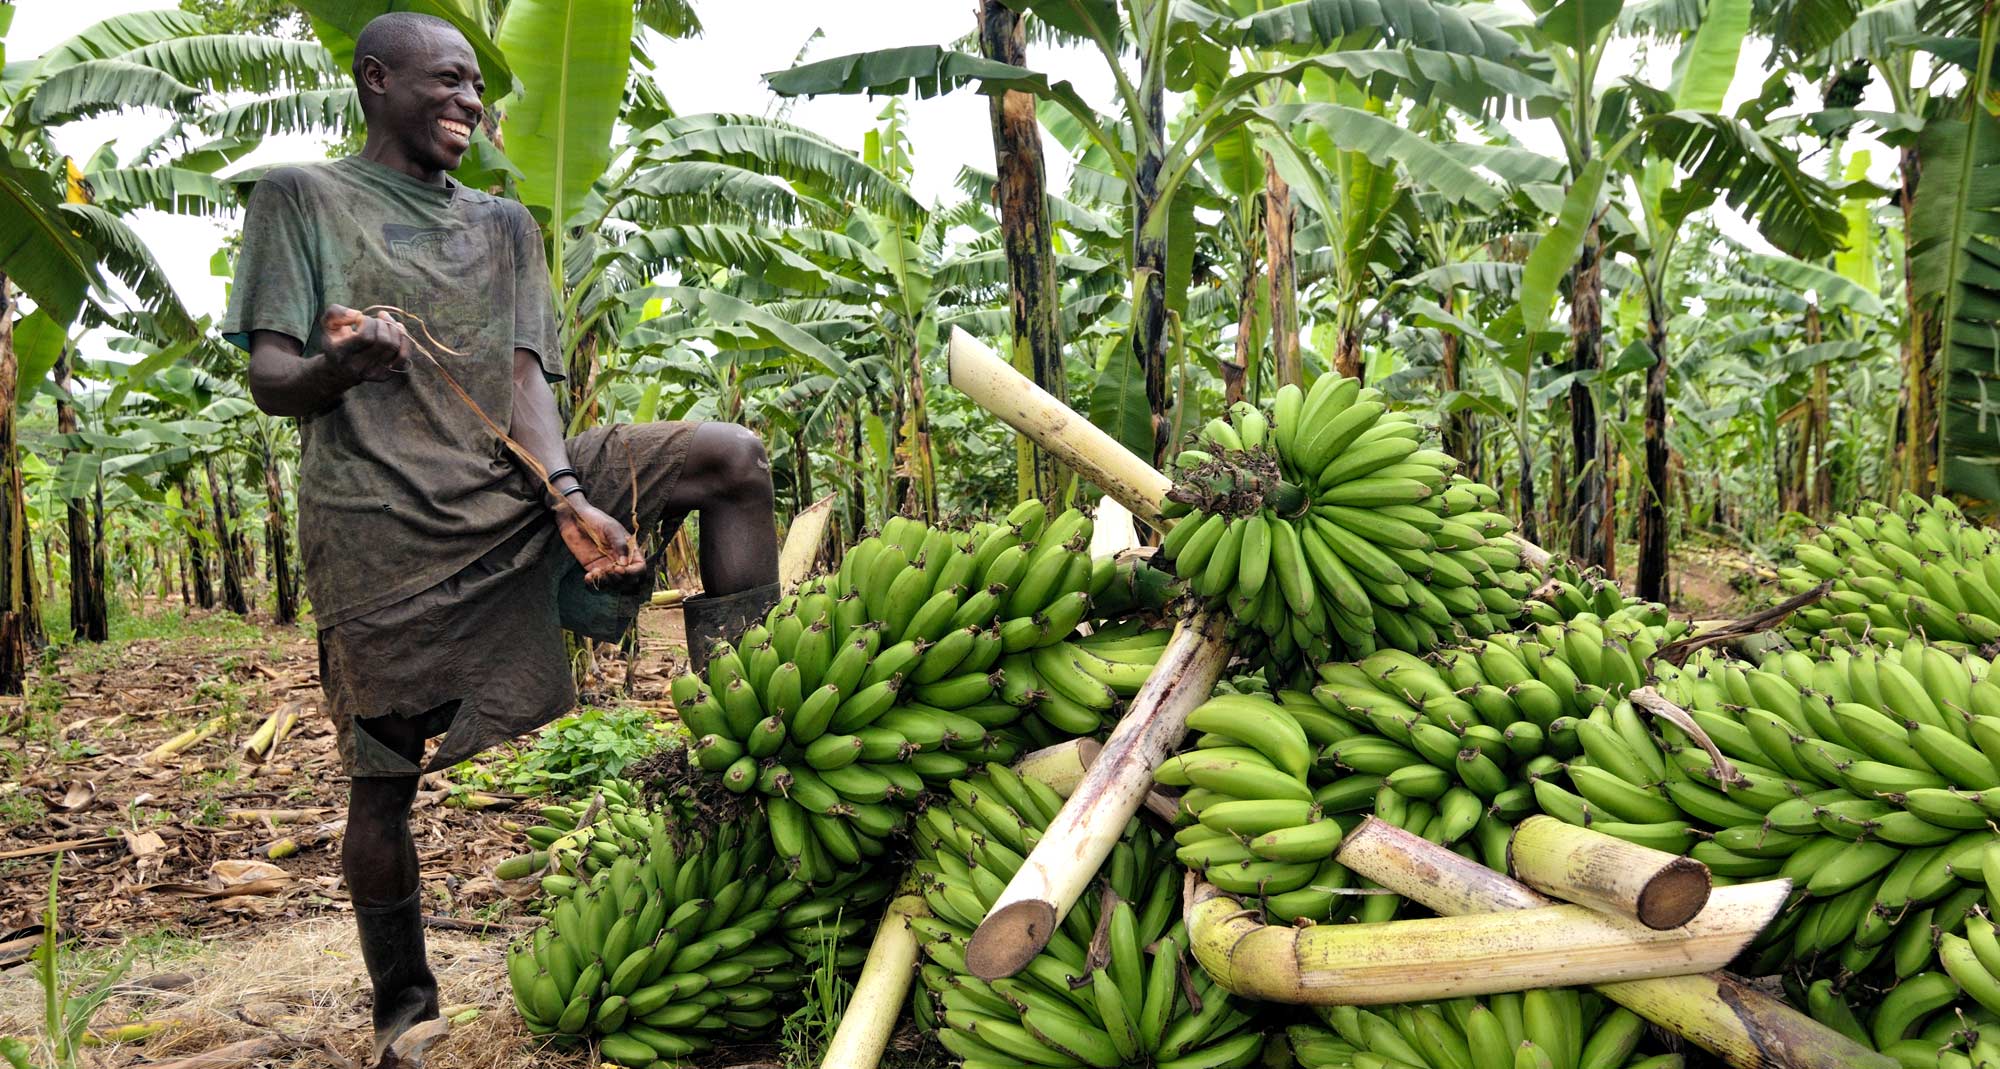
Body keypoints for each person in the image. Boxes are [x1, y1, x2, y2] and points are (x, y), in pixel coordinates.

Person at [221, 12, 779, 1067]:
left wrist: (567, 492)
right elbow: (272, 380)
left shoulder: (505, 223)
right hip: (384, 527)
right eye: (446, 83)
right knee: (383, 777)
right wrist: (344, 365)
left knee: (731, 460)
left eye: (478, 88)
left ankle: (754, 738)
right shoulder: (303, 197)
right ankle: (402, 1003)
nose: (470, 105)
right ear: (374, 80)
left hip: (515, 483)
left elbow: (526, 380)